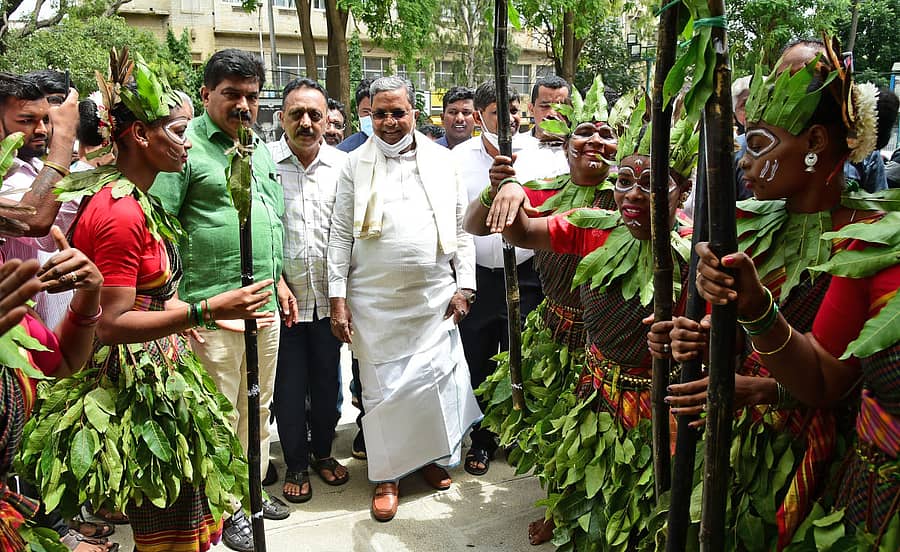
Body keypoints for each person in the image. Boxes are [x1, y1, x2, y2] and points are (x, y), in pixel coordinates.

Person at [666, 39, 899, 549]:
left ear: (815, 138)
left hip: (824, 464)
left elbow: (833, 381)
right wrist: (698, 336)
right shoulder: (743, 224)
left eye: (759, 145)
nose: (744, 164)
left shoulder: (870, 237)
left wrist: (759, 334)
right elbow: (724, 335)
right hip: (734, 444)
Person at [483, 97, 698, 550]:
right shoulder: (595, 226)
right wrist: (508, 188)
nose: (635, 194)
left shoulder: (694, 250)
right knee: (576, 465)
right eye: (625, 182)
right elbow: (519, 232)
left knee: (652, 492)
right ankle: (562, 514)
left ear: (684, 190)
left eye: (654, 183)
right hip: (596, 379)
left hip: (661, 392)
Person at [463, 76, 624, 546]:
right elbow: (475, 226)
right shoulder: (548, 187)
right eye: (585, 131)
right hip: (553, 329)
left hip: (605, 340)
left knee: (596, 439)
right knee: (549, 428)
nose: (595, 139)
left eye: (608, 133)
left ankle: (584, 515)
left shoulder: (627, 197)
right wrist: (501, 189)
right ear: (566, 142)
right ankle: (556, 503)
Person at [151, 48, 291, 552]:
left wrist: (278, 281)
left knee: (259, 408)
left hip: (262, 307)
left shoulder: (260, 148)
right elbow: (160, 229)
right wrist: (173, 309)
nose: (243, 106)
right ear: (206, 93)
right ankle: (226, 506)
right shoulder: (184, 150)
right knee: (220, 415)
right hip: (210, 311)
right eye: (231, 95)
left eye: (251, 96)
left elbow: (268, 222)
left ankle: (251, 490)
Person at [327, 76, 480, 522]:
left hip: (433, 298)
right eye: (380, 113)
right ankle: (387, 476)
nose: (390, 122)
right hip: (373, 303)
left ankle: (428, 460)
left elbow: (459, 228)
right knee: (382, 393)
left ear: (415, 113)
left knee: (433, 386)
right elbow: (338, 236)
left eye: (398, 112)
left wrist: (464, 285)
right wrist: (338, 297)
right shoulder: (351, 164)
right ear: (368, 115)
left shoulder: (441, 160)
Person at [453, 80, 543, 477]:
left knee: (525, 357)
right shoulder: (458, 159)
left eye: (516, 113)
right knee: (481, 360)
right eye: (497, 115)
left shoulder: (542, 156)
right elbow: (459, 224)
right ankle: (484, 440)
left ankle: (523, 436)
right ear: (479, 118)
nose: (510, 122)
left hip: (528, 274)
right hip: (481, 277)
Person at [268, 77, 349, 504]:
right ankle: (296, 463)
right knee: (287, 387)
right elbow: (257, 233)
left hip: (330, 301)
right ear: (280, 117)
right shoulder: (262, 163)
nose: (305, 122)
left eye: (314, 114)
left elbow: (349, 235)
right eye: (296, 113)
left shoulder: (343, 166)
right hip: (283, 302)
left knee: (327, 387)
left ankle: (322, 453)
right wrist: (276, 282)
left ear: (326, 120)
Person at [1, 70, 82, 329]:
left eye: (46, 120)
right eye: (26, 120)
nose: (41, 130)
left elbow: (47, 236)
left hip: (47, 322)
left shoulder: (36, 167)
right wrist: (65, 138)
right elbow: (33, 219)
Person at [514, 75, 570, 181]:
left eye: (560, 108)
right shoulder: (514, 147)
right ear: (531, 108)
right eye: (545, 106)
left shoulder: (581, 151)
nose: (552, 113)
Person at [336, 77, 376, 153]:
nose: (371, 117)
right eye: (366, 111)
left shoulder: (400, 149)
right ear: (358, 111)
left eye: (377, 112)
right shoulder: (344, 151)